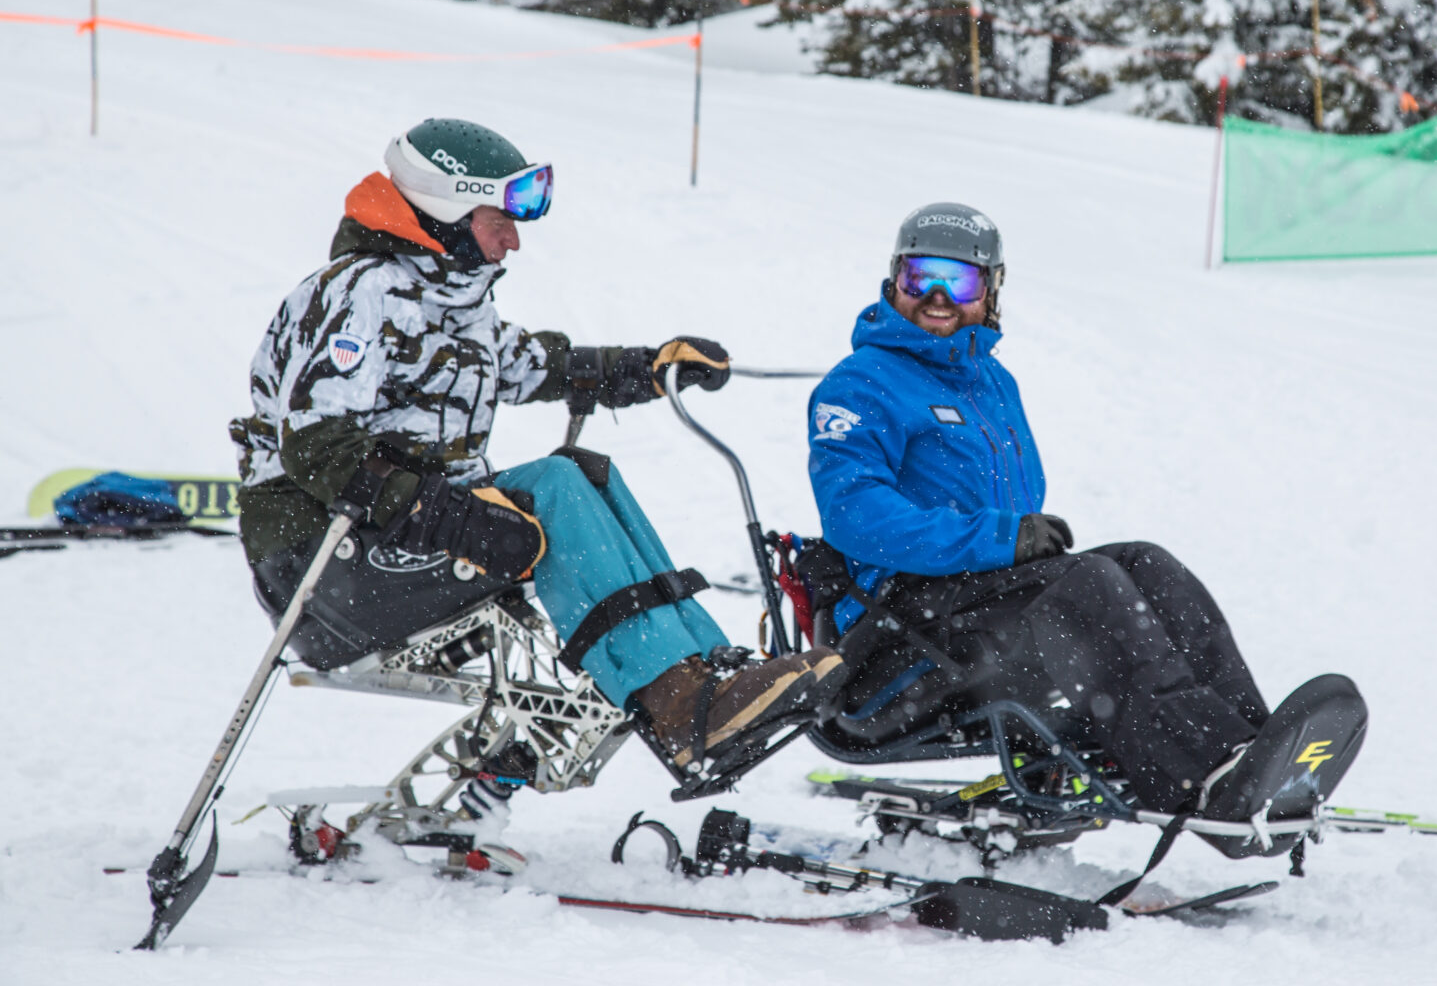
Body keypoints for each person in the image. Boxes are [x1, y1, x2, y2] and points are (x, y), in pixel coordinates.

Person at [231, 118, 841, 774]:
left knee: (585, 472)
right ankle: (682, 703)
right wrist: (451, 517)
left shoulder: (454, 303)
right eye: (500, 218)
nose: (514, 240)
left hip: (394, 542)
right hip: (322, 568)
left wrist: (650, 366)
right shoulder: (358, 297)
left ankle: (703, 674)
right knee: (553, 486)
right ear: (449, 209)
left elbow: (537, 365)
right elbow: (320, 449)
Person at [805, 202, 1365, 857]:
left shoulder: (991, 384)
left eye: (957, 282)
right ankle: (1205, 770)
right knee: (1090, 583)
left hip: (970, 614)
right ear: (894, 277)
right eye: (920, 276)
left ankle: (1250, 754)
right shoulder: (861, 385)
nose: (935, 296)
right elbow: (857, 519)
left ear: (990, 290)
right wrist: (1000, 539)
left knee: (1145, 562)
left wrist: (1007, 548)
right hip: (900, 638)